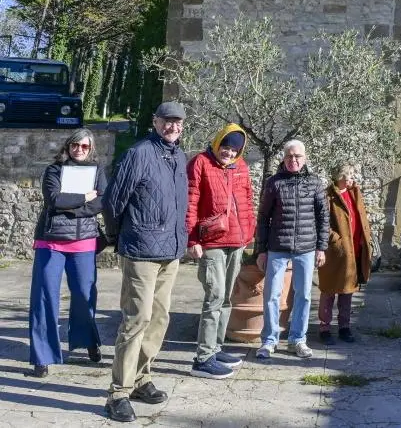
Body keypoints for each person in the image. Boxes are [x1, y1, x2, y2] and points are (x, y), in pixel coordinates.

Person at [102, 101, 189, 423]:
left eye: (178, 122)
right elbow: (113, 200)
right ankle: (118, 393)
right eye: (167, 120)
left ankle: (140, 379)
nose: (173, 126)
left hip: (171, 251)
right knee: (135, 320)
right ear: (155, 121)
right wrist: (115, 237)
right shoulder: (140, 153)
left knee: (159, 319)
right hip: (141, 249)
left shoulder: (178, 156)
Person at [28, 128, 107, 378]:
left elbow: (102, 202)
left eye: (84, 147)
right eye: (75, 145)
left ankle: (88, 341)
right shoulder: (53, 170)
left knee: (85, 296)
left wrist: (72, 208)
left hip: (84, 242)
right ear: (68, 146)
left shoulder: (97, 171)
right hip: (50, 242)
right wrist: (84, 197)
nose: (79, 150)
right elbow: (54, 199)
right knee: (44, 299)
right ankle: (42, 355)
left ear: (90, 149)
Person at [186, 122, 256, 379]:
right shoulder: (200, 163)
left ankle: (215, 348)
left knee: (227, 298)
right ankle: (203, 358)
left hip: (236, 241)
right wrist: (192, 239)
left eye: (234, 150)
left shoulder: (241, 167)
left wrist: (248, 234)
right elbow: (191, 201)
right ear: (217, 143)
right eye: (225, 147)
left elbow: (247, 201)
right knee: (213, 297)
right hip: (211, 242)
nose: (228, 153)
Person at [255, 139, 329, 360]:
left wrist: (321, 248)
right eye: (289, 156)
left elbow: (323, 217)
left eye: (297, 156)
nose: (293, 160)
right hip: (277, 247)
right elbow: (263, 218)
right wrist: (261, 250)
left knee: (304, 295)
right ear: (284, 158)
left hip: (306, 248)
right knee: (271, 295)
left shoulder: (315, 183)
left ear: (304, 158)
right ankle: (269, 341)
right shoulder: (273, 183)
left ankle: (298, 339)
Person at [317, 160, 372, 345]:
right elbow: (321, 222)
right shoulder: (327, 196)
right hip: (336, 251)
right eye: (349, 175)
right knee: (329, 290)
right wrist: (336, 240)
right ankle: (325, 328)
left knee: (348, 290)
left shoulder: (354, 193)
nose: (352, 178)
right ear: (340, 176)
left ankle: (344, 327)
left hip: (354, 249)